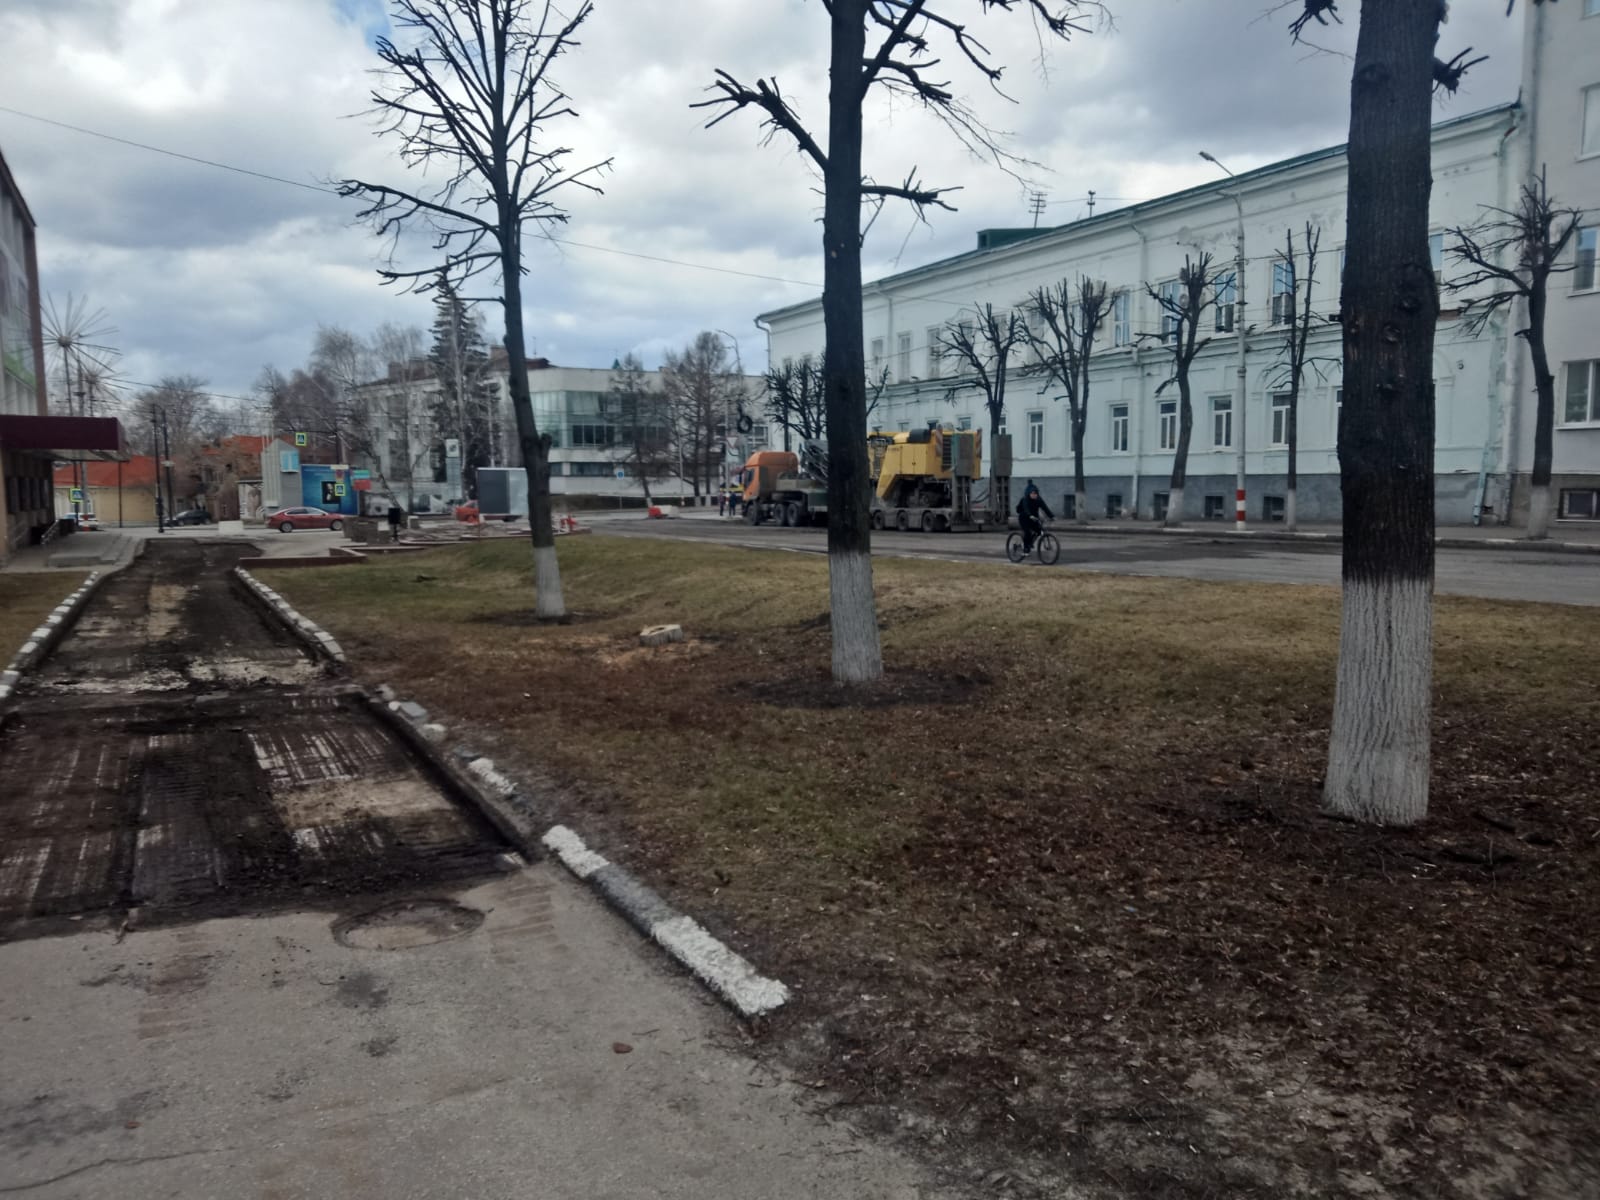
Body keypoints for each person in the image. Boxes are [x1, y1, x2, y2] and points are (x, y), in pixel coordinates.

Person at [1015, 479, 1054, 556]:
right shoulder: (1025, 499)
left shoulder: (1039, 500)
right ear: (1029, 493)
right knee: (1027, 532)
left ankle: (1030, 542)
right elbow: (1026, 508)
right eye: (1032, 493)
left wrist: (1052, 516)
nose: (1034, 495)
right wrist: (1030, 515)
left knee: (1039, 531)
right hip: (1024, 518)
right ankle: (1025, 549)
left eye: (1035, 493)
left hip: (1034, 518)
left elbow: (1045, 508)